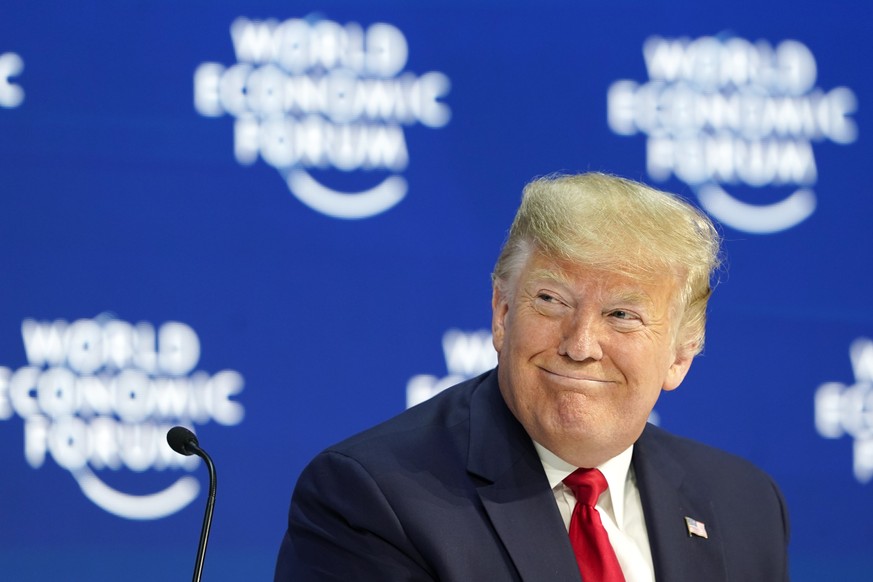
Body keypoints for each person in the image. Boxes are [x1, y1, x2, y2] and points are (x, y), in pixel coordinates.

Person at [274, 172, 790, 581]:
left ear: (681, 354)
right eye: (551, 301)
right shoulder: (374, 498)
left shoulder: (744, 505)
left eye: (622, 315)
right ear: (502, 314)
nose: (580, 345)